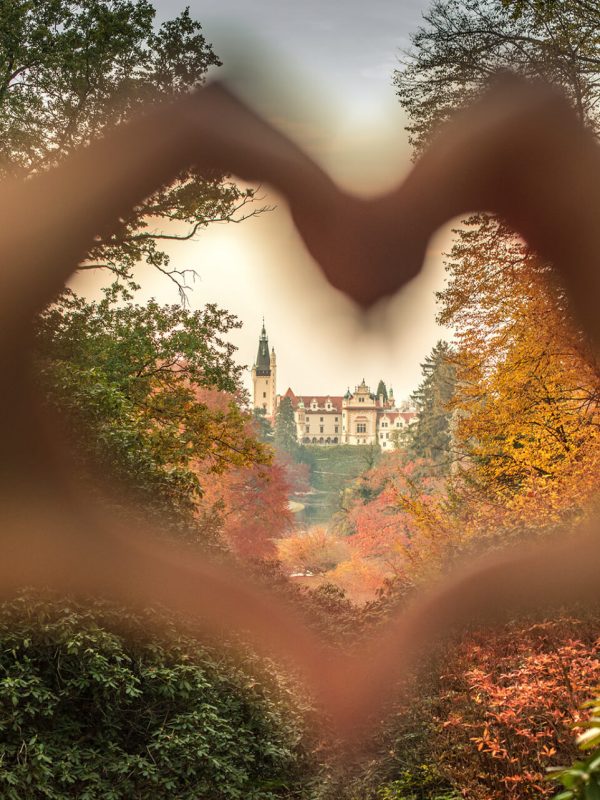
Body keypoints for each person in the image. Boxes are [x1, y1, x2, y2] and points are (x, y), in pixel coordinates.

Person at [0, 74, 597, 736]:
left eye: (268, 378)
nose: (268, 389)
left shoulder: (338, 408)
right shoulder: (290, 402)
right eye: (265, 380)